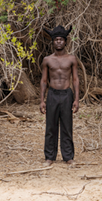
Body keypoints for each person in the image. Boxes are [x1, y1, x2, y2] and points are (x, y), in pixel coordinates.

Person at [40, 25, 80, 166]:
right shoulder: (47, 60)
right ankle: (49, 157)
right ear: (52, 42)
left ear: (65, 41)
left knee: (66, 126)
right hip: (52, 94)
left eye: (61, 39)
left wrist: (76, 99)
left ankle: (68, 157)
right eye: (56, 39)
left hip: (66, 94)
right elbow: (44, 80)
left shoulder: (71, 59)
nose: (58, 42)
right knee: (51, 127)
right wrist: (42, 100)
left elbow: (75, 79)